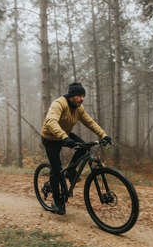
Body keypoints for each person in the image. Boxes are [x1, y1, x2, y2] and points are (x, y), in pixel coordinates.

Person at [41, 82, 112, 215]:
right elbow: (51, 122)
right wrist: (65, 138)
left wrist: (104, 135)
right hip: (50, 138)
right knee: (56, 170)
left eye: (83, 96)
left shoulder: (79, 108)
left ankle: (70, 171)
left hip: (65, 135)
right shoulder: (59, 104)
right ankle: (57, 203)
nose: (82, 99)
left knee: (84, 147)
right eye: (79, 96)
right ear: (72, 95)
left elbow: (90, 122)